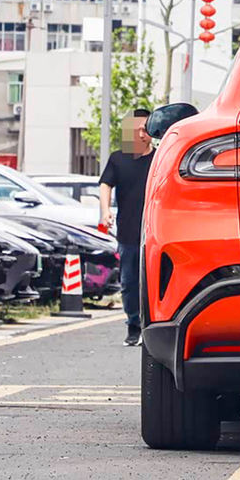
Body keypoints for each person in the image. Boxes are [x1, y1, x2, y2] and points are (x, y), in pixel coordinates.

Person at [99, 108, 154, 346]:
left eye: (145, 129)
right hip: (128, 233)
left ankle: (151, 329)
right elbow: (105, 184)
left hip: (155, 234)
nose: (141, 134)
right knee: (129, 283)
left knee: (152, 285)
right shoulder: (118, 159)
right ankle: (133, 326)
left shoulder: (159, 159)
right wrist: (105, 211)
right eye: (136, 129)